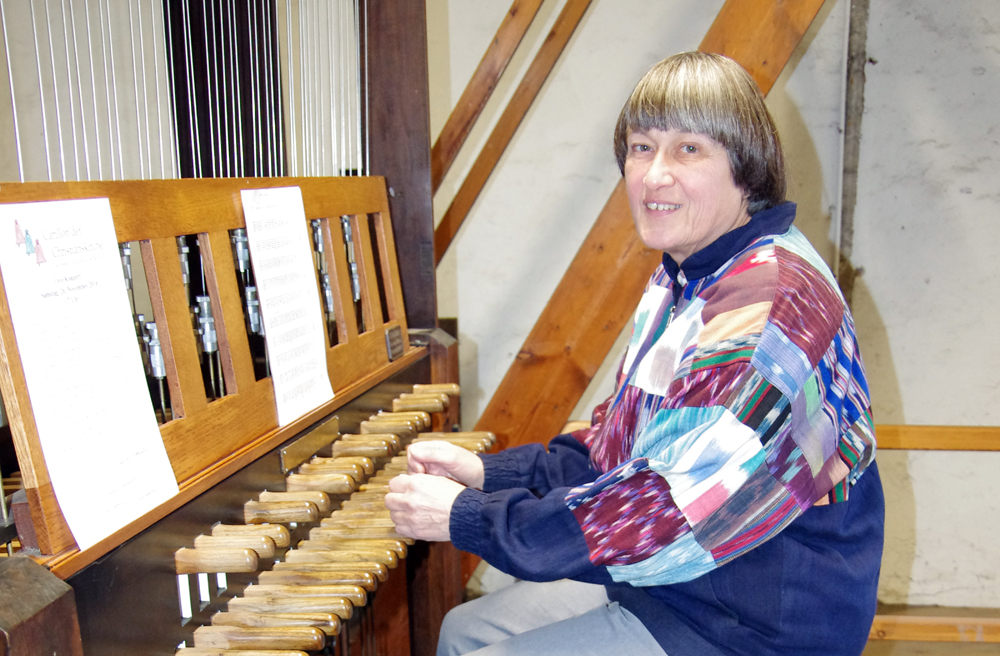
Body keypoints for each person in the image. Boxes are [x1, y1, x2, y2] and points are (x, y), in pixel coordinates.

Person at [384, 51, 884, 656]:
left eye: (688, 150)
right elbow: (618, 444)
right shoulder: (687, 278)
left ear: (745, 170)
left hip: (756, 613)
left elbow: (666, 513)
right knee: (465, 632)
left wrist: (468, 516)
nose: (654, 175)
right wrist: (490, 474)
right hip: (693, 580)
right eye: (642, 147)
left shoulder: (763, 306)